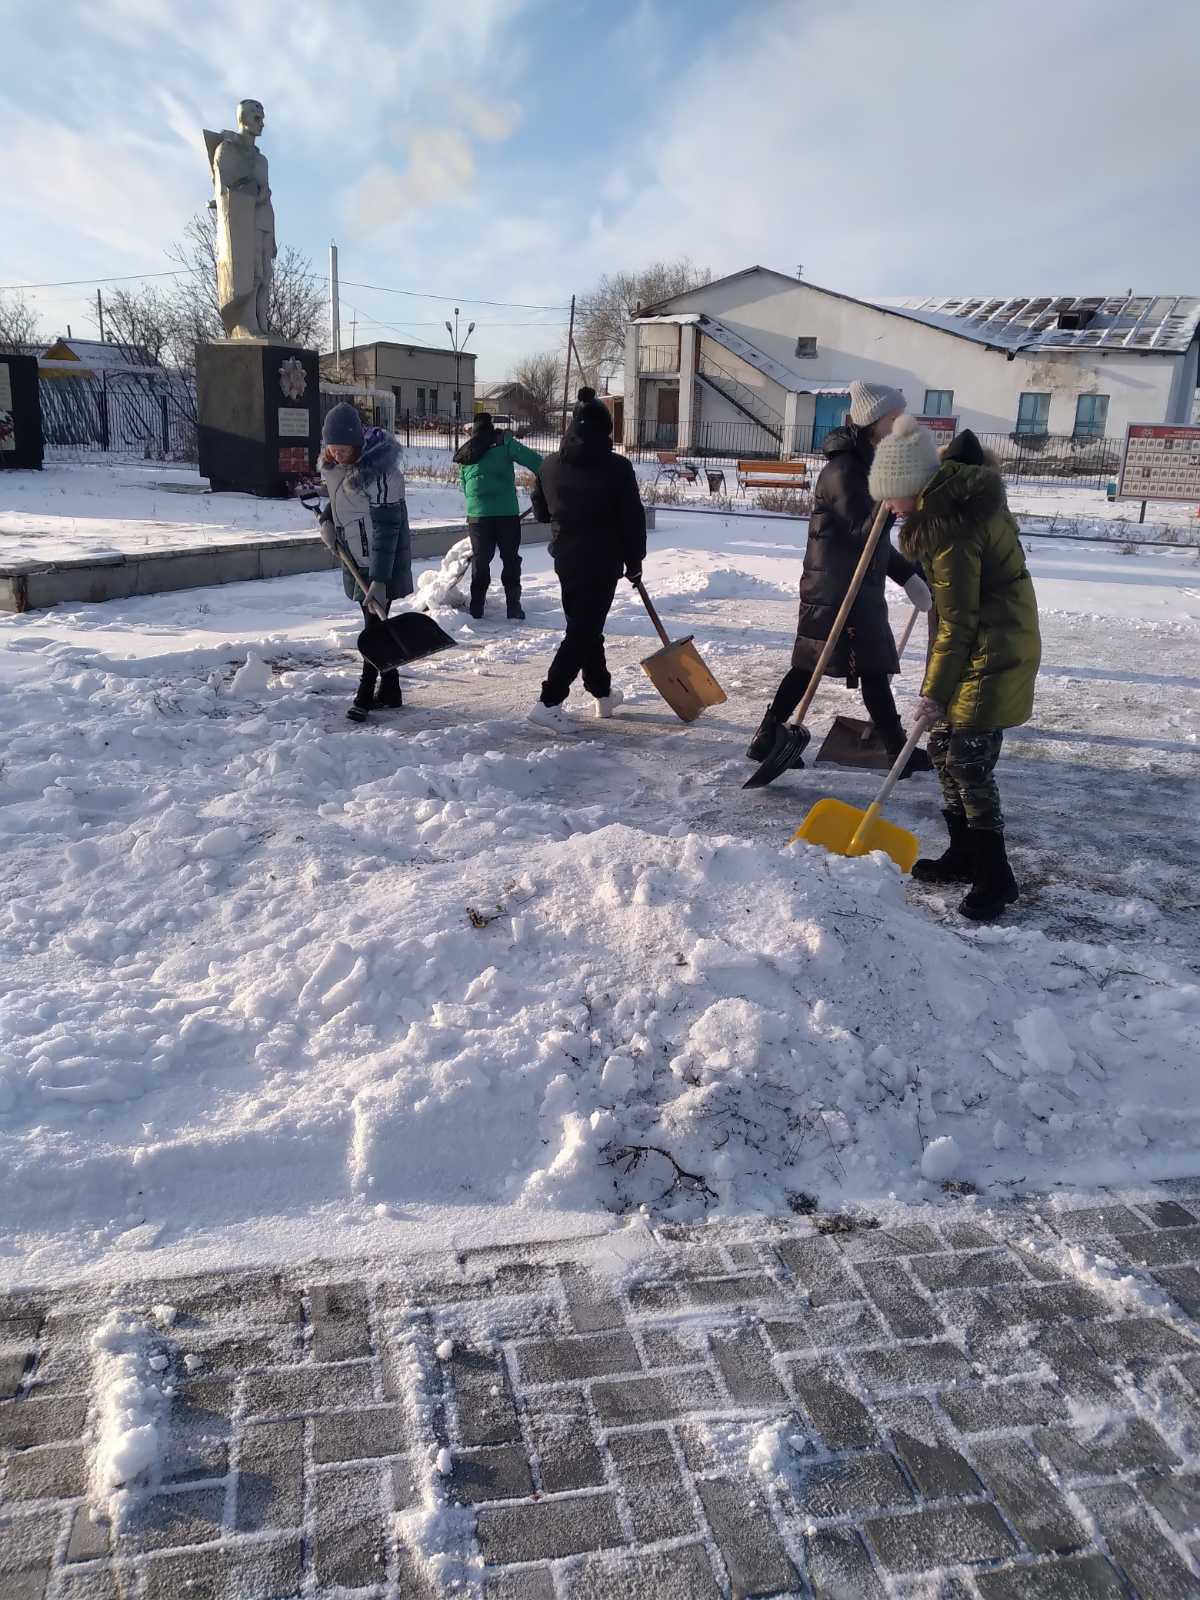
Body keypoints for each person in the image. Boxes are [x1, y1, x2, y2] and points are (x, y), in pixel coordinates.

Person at [868, 414, 1042, 920]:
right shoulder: (943, 511)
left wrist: (932, 692)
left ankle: (996, 877)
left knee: (967, 759)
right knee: (943, 748)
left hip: (994, 650)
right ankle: (965, 853)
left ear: (911, 487)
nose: (886, 506)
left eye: (889, 495)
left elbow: (959, 623)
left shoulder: (949, 528)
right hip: (979, 645)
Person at [747, 380, 934, 776]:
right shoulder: (844, 469)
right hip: (834, 591)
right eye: (895, 416)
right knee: (814, 665)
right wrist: (892, 502)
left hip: (855, 587)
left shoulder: (868, 463)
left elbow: (876, 546)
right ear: (876, 422)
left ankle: (893, 750)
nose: (902, 422)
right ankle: (769, 735)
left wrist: (909, 577)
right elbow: (863, 531)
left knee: (870, 668)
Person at [527, 388, 646, 731]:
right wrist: (634, 560)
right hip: (603, 560)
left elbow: (540, 512)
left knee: (586, 627)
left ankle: (603, 694)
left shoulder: (548, 465)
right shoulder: (618, 468)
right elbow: (632, 518)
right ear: (605, 430)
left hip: (566, 557)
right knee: (583, 631)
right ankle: (548, 702)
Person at [317, 402, 412, 723]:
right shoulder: (333, 468)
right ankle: (392, 690)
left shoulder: (381, 475)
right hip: (355, 559)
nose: (338, 454)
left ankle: (364, 694)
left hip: (380, 563)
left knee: (374, 629)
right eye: (333, 448)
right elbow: (337, 503)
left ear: (357, 444)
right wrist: (327, 523)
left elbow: (388, 530)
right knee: (379, 626)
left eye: (344, 449)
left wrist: (381, 579)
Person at [453, 413, 544, 620]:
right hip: (506, 514)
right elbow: (536, 462)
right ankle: (513, 606)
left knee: (480, 561)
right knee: (510, 560)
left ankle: (477, 608)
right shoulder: (504, 442)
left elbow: (465, 487)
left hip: (477, 516)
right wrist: (550, 477)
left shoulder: (466, 452)